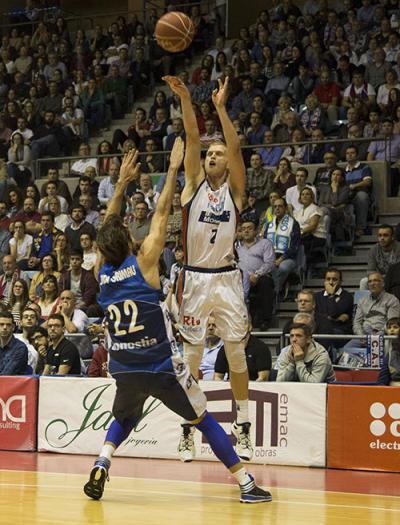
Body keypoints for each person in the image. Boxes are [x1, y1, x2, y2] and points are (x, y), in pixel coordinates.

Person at [83, 143, 271, 504]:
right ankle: (247, 484)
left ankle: (102, 461)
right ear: (127, 240)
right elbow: (162, 212)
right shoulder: (144, 263)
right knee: (204, 419)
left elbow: (107, 225)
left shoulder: (98, 270)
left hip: (122, 365)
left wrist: (121, 185)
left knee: (126, 415)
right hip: (160, 365)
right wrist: (171, 172)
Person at [163, 75, 254, 462]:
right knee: (193, 359)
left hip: (227, 279)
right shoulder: (194, 184)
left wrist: (219, 107)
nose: (214, 156)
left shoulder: (235, 192)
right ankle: (188, 429)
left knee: (236, 355)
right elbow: (192, 136)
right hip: (194, 277)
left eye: (218, 154)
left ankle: (243, 428)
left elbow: (234, 146)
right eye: (209, 154)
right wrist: (186, 99)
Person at [237, 220, 275, 329]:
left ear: (256, 231)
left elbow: (270, 263)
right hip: (242, 280)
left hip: (260, 278)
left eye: (249, 228)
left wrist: (257, 275)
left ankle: (265, 321)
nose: (246, 231)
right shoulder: (237, 249)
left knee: (265, 283)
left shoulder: (265, 243)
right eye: (243, 229)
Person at [265, 198, 301, 297]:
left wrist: (281, 259)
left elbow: (295, 246)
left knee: (283, 268)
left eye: (280, 206)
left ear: (285, 208)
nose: (277, 209)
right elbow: (263, 244)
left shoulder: (293, 223)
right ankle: (281, 287)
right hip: (271, 257)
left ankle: (274, 293)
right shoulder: (269, 224)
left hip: (288, 258)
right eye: (275, 206)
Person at [353, 272, 400, 336]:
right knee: (346, 346)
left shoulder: (392, 300)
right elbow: (357, 323)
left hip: (383, 336)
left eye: (375, 280)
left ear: (383, 284)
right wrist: (361, 336)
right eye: (370, 281)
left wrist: (375, 337)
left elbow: (391, 324)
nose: (372, 283)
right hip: (364, 335)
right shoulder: (362, 301)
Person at [0, 310, 28, 375]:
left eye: (8, 325)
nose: (4, 327)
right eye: (1, 324)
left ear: (13, 327)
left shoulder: (20, 348)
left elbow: (6, 374)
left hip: (12, 384)